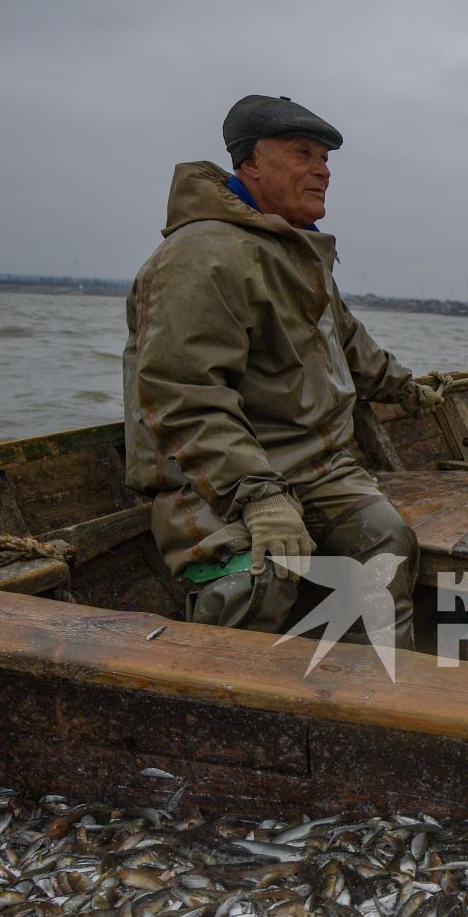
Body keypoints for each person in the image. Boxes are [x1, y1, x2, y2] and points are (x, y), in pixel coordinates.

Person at [123, 94, 443, 643]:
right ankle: (227, 703)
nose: (321, 170)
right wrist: (260, 496)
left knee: (385, 539)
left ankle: (378, 694)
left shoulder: (295, 251)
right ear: (249, 163)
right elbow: (183, 396)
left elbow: (347, 344)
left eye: (325, 159)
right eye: (302, 153)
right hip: (210, 477)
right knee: (255, 579)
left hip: (316, 467)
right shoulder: (203, 257)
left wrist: (407, 389)